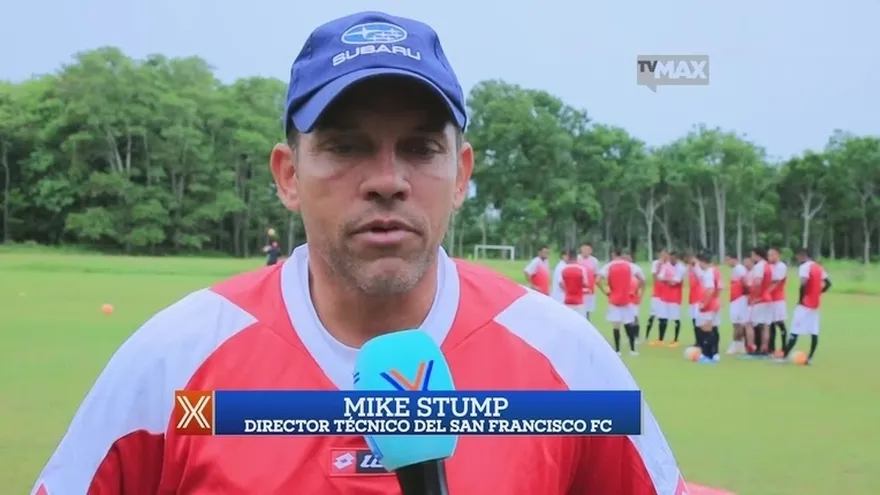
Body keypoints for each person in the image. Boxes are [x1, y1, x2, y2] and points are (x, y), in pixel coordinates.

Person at [30, 11, 683, 494]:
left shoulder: (567, 362)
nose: (387, 180)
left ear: (461, 175)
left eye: (421, 148)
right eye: (346, 146)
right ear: (288, 175)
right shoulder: (172, 363)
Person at [778, 248, 832, 365]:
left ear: (803, 256)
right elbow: (828, 283)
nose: (797, 259)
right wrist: (818, 293)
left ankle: (784, 357)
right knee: (814, 331)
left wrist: (801, 299)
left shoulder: (804, 267)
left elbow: (803, 283)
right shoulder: (818, 267)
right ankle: (810, 358)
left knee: (795, 329)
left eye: (798, 257)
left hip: (805, 304)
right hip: (815, 304)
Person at [597, 249, 644, 356]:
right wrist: (634, 291)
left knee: (616, 325)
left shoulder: (609, 266)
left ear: (613, 255)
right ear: (622, 255)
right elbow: (642, 280)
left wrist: (606, 291)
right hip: (627, 299)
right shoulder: (630, 265)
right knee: (629, 324)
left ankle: (618, 350)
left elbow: (598, 280)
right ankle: (632, 350)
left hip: (614, 299)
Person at [694, 252, 722, 362]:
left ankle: (707, 354)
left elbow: (710, 290)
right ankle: (715, 353)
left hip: (708, 305)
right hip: (715, 303)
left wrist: (704, 303)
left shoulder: (709, 273)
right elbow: (720, 288)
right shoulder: (716, 271)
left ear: (702, 262)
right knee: (713, 328)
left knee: (705, 329)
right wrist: (716, 299)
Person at [747, 247, 773, 356]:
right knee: (766, 326)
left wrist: (755, 297)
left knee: (749, 323)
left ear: (757, 255)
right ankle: (764, 348)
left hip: (759, 299)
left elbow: (758, 282)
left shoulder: (759, 267)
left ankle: (751, 347)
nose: (751, 257)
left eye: (752, 255)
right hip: (767, 298)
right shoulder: (768, 266)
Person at [657, 251, 686, 347]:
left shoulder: (681, 268)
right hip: (664, 296)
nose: (671, 260)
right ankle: (660, 339)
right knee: (662, 317)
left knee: (676, 318)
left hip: (675, 297)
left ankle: (675, 340)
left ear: (677, 258)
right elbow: (659, 277)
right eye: (670, 258)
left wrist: (666, 279)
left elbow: (676, 281)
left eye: (673, 258)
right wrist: (669, 280)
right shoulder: (666, 266)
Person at [724, 254, 749, 354]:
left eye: (727, 260)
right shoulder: (735, 269)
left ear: (733, 259)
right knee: (736, 322)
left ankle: (737, 343)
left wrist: (746, 295)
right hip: (735, 299)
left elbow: (745, 283)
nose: (726, 263)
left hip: (739, 299)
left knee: (738, 322)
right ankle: (739, 343)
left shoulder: (739, 269)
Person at [767, 247, 788, 353]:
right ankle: (771, 348)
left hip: (777, 299)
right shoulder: (769, 266)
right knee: (770, 324)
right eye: (769, 255)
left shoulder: (781, 266)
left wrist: (765, 293)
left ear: (778, 255)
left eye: (772, 255)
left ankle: (784, 347)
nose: (770, 257)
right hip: (769, 300)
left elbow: (775, 282)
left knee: (779, 323)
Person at [645, 248, 668, 342]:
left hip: (666, 295)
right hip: (657, 294)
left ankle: (661, 339)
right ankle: (646, 336)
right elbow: (655, 277)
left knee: (663, 317)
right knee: (652, 315)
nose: (664, 255)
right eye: (662, 253)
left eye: (665, 253)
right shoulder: (656, 264)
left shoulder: (669, 265)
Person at [624, 253, 645, 348]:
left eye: (628, 258)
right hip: (624, 297)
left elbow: (642, 281)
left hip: (633, 297)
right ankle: (629, 336)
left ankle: (636, 336)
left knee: (634, 316)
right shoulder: (622, 268)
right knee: (626, 318)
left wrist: (637, 291)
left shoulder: (636, 269)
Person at [560, 249, 589, 318]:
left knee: (568, 320)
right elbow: (585, 284)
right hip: (579, 301)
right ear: (576, 257)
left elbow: (561, 284)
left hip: (568, 300)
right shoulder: (581, 269)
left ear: (568, 257)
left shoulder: (563, 269)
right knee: (580, 320)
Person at [684, 252, 703, 348]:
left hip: (698, 297)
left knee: (698, 320)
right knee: (694, 320)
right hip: (692, 297)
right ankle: (697, 340)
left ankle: (701, 341)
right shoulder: (689, 268)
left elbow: (701, 277)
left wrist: (696, 265)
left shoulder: (698, 268)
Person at [578, 244, 599, 320]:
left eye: (588, 250)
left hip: (589, 291)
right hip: (578, 290)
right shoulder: (577, 259)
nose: (586, 251)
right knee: (579, 310)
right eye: (584, 249)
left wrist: (592, 285)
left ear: (591, 251)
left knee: (587, 310)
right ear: (581, 250)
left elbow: (596, 275)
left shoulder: (594, 261)